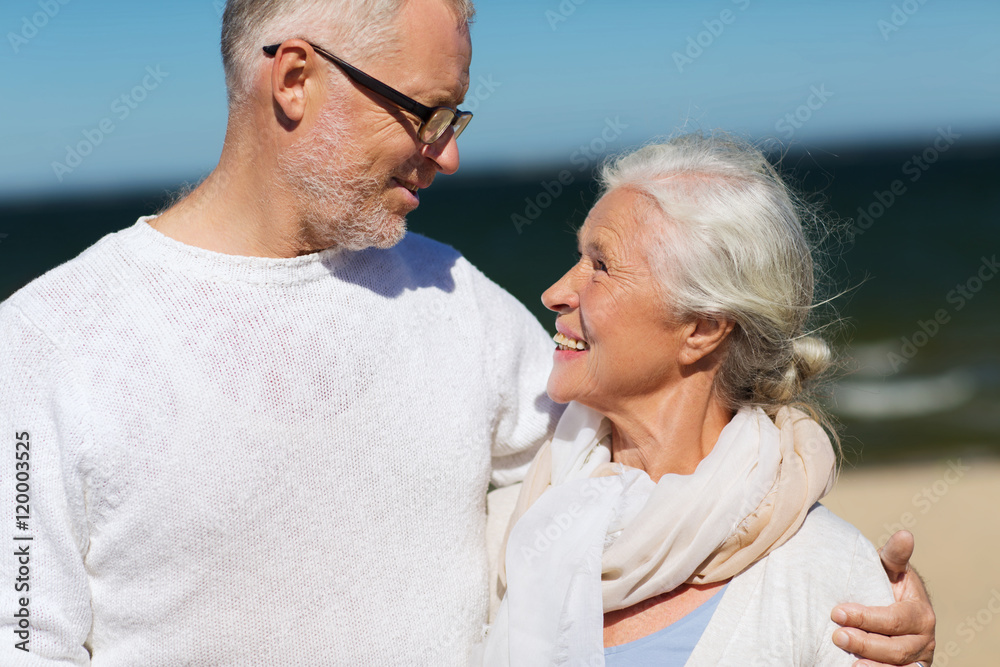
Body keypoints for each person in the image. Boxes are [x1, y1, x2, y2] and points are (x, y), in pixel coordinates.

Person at [0, 1, 932, 665]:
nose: (449, 152)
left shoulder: (459, 302)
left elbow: (655, 460)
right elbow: (21, 636)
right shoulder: (47, 342)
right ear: (294, 79)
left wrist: (862, 606)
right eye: (425, 111)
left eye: (457, 115)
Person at [481, 134, 935, 666]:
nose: (556, 291)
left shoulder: (828, 574)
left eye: (601, 266)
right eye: (577, 257)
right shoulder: (503, 531)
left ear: (703, 327)